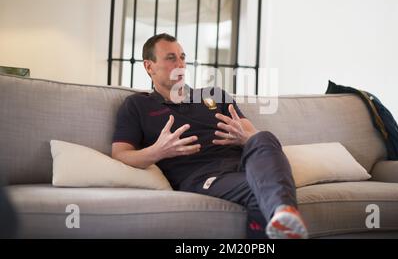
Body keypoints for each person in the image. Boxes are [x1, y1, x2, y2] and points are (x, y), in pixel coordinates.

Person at [111, 33, 308, 239]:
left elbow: (253, 136)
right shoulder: (137, 105)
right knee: (260, 189)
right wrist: (157, 151)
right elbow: (120, 154)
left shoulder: (214, 95)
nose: (180, 64)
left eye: (182, 57)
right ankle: (283, 212)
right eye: (171, 58)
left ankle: (284, 213)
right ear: (149, 66)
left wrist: (243, 137)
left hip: (245, 165)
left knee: (264, 137)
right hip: (204, 176)